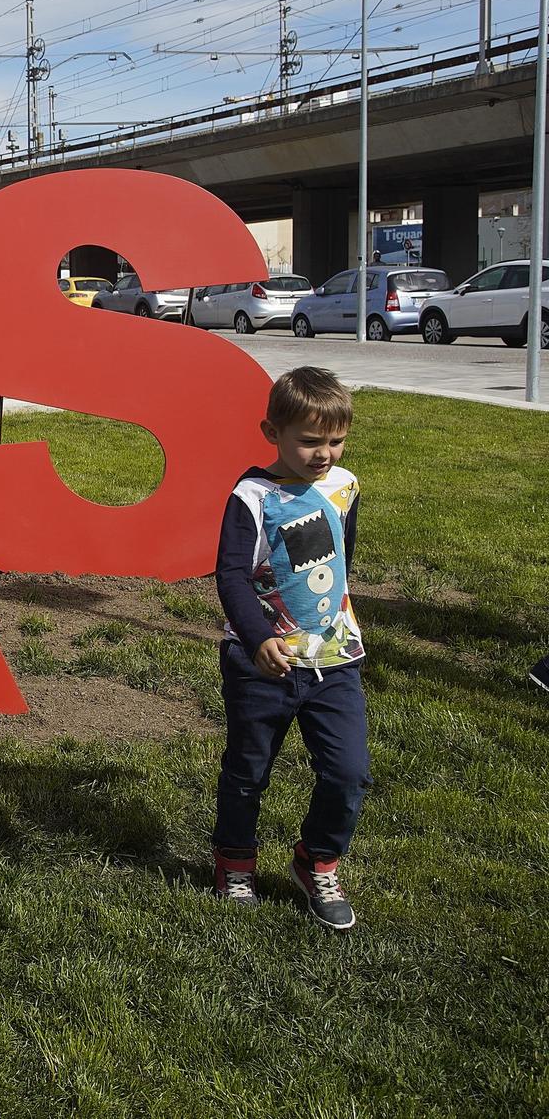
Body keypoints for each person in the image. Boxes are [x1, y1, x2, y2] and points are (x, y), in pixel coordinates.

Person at [210, 366, 371, 930]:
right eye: (309, 441)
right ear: (271, 432)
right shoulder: (252, 495)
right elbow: (230, 575)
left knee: (348, 773)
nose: (324, 453)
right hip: (262, 666)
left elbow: (341, 559)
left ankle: (317, 858)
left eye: (334, 440)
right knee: (249, 771)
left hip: (335, 661)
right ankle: (234, 861)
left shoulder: (345, 486)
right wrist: (257, 640)